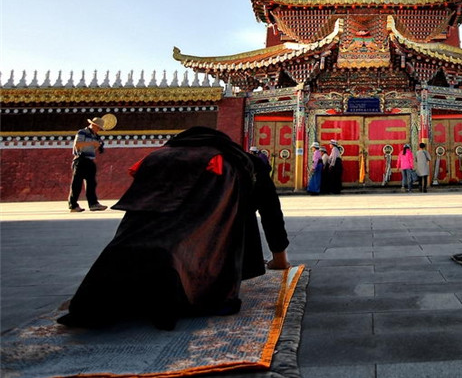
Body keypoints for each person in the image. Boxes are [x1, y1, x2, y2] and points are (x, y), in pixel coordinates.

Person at [58, 126, 291, 330]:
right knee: (191, 236)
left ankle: (102, 290)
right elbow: (270, 211)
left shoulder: (161, 154)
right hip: (188, 255)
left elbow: (140, 211)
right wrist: (279, 258)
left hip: (137, 226)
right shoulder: (242, 160)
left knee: (143, 231)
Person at [68, 115, 115, 212]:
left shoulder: (96, 136)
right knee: (76, 184)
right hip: (80, 160)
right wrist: (92, 143)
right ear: (93, 125)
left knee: (91, 184)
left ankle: (93, 204)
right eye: (98, 128)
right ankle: (73, 205)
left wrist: (97, 146)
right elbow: (77, 144)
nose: (99, 130)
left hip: (90, 160)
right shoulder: (82, 132)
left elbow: (96, 148)